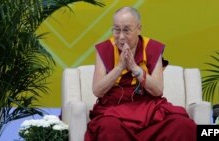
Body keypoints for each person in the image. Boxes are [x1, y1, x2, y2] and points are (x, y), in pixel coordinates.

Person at [84, 6, 197, 141]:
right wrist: (120, 67)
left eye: (126, 30)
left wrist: (135, 68)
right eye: (116, 30)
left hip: (149, 109)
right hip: (114, 110)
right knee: (109, 127)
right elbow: (97, 90)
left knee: (182, 125)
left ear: (139, 29)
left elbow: (157, 90)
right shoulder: (105, 48)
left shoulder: (152, 48)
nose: (120, 36)